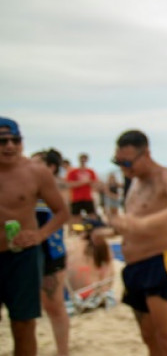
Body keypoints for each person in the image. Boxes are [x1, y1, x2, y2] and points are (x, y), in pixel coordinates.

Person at [91, 130, 167, 356]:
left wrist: (145, 224)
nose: (124, 168)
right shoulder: (134, 182)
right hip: (133, 267)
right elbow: (128, 225)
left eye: (128, 162)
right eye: (118, 162)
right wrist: (104, 233)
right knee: (148, 336)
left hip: (157, 263)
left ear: (146, 154)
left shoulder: (164, 176)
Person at [0, 118, 69, 356]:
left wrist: (40, 235)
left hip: (23, 257)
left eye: (15, 140)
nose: (9, 146)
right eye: (2, 141)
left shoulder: (35, 172)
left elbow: (62, 212)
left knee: (24, 324)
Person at [34, 149, 71, 356]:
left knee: (54, 306)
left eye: (37, 163)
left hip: (51, 252)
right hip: (26, 251)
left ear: (51, 167)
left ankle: (62, 352)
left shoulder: (56, 187)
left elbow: (62, 214)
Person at [64, 153, 99, 225]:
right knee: (75, 216)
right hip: (76, 197)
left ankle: (93, 228)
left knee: (92, 214)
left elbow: (95, 184)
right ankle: (76, 231)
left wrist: (88, 182)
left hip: (87, 197)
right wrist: (82, 182)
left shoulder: (90, 171)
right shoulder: (73, 172)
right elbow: (69, 184)